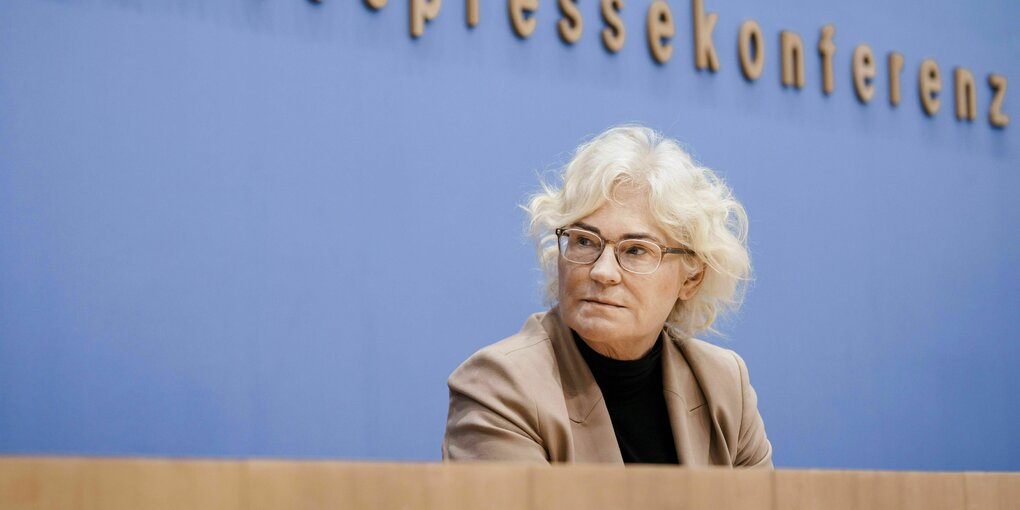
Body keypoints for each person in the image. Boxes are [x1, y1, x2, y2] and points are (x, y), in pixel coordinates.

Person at [442, 125, 772, 466]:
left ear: (691, 278)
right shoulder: (500, 386)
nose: (602, 271)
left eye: (635, 250)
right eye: (584, 241)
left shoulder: (724, 385)